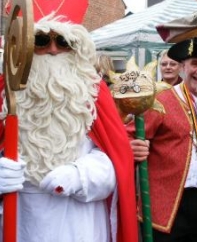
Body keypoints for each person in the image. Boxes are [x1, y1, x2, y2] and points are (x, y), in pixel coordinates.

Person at [0, 15, 138, 242]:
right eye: (42, 40)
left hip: (79, 221)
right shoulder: (7, 91)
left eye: (64, 42)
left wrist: (81, 175)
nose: (53, 50)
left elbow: (114, 160)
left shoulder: (93, 91)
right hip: (22, 217)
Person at [126, 37, 197, 242]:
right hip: (163, 205)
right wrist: (130, 147)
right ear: (183, 67)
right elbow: (128, 134)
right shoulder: (160, 101)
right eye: (195, 64)